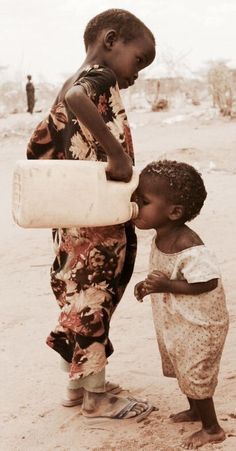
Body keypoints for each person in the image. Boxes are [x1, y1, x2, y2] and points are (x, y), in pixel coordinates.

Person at [26, 9, 156, 420]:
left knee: (79, 298)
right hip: (95, 223)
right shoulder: (97, 79)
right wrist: (116, 157)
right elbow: (78, 100)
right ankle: (97, 398)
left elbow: (40, 147)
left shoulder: (69, 82)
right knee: (93, 300)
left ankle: (77, 386)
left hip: (74, 218)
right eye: (139, 60)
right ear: (111, 39)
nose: (136, 74)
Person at [134, 160, 229, 448]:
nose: (134, 204)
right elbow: (166, 273)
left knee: (195, 371)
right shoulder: (162, 234)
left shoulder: (188, 243)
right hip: (180, 320)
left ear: (174, 212)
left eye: (143, 201)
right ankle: (194, 409)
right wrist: (148, 286)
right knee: (182, 366)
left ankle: (212, 428)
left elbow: (207, 281)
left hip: (201, 325)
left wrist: (164, 286)